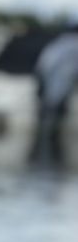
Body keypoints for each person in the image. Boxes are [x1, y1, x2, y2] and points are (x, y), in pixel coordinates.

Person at [34, 30, 78, 159]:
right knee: (54, 116)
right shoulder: (73, 44)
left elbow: (43, 63)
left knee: (48, 117)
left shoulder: (58, 43)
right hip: (59, 85)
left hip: (51, 84)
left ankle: (46, 141)